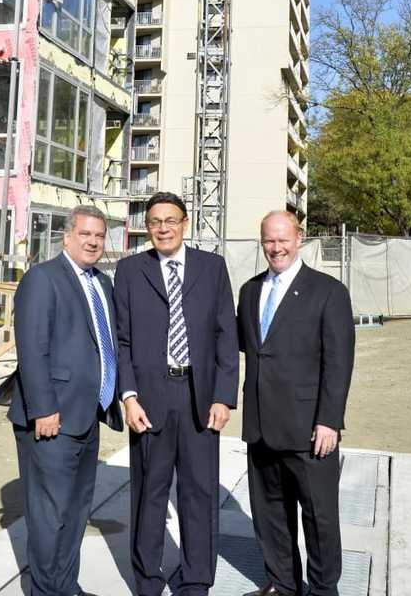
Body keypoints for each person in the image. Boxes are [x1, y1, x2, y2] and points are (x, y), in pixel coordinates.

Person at [114, 192, 239, 596]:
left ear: (185, 223)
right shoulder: (131, 271)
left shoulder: (212, 267)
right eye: (154, 222)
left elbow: (226, 336)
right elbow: (123, 341)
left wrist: (223, 396)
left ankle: (196, 578)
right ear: (146, 227)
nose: (163, 228)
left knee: (199, 491)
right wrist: (129, 396)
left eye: (170, 220)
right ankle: (148, 579)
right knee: (150, 489)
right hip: (149, 398)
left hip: (198, 396)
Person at [236, 211, 355, 596]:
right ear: (261, 241)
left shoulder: (328, 291)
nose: (276, 248)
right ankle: (283, 584)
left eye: (283, 239)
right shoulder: (250, 290)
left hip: (309, 430)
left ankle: (323, 589)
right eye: (269, 240)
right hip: (261, 426)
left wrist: (329, 421)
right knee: (270, 514)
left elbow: (338, 362)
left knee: (319, 518)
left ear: (298, 238)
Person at [8, 205, 123, 596]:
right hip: (52, 418)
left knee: (75, 512)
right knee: (48, 515)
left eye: (99, 236)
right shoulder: (42, 279)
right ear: (67, 236)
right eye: (85, 234)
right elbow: (32, 348)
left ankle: (65, 587)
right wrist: (43, 408)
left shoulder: (101, 284)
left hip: (88, 415)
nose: (93, 241)